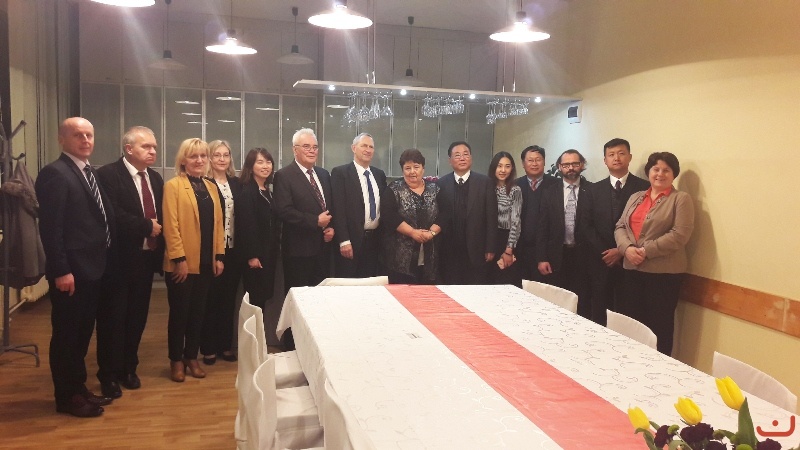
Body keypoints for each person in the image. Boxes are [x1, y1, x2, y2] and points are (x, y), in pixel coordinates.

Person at [35, 117, 115, 417]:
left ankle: (78, 388)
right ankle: (66, 398)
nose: (85, 140)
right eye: (78, 135)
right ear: (62, 139)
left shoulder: (88, 172)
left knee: (82, 334)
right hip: (71, 272)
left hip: (92, 269)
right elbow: (51, 228)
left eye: (89, 135)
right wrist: (60, 270)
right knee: (67, 336)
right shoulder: (55, 173)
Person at [95, 126, 164, 398]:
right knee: (113, 319)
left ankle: (128, 368)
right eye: (146, 146)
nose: (153, 151)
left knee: (137, 318)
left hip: (145, 260)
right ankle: (108, 374)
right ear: (128, 149)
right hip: (118, 261)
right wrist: (146, 226)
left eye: (154, 147)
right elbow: (112, 215)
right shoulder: (108, 175)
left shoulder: (155, 178)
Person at [615, 152, 694, 355]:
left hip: (663, 275)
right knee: (632, 323)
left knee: (659, 327)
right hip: (632, 269)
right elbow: (620, 226)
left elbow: (679, 235)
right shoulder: (636, 197)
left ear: (674, 174)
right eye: (656, 169)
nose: (660, 174)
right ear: (648, 172)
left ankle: (659, 368)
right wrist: (627, 249)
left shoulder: (680, 199)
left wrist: (645, 251)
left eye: (666, 170)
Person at [162, 138, 225, 382]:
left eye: (203, 156)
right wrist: (179, 259)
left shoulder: (210, 187)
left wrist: (219, 256)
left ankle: (191, 356)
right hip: (183, 264)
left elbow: (218, 224)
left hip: (206, 262)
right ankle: (176, 360)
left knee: (198, 314)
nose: (199, 160)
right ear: (183, 160)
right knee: (180, 314)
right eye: (193, 156)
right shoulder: (173, 186)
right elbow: (171, 226)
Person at [580, 138, 650, 325]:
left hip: (631, 261)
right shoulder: (592, 190)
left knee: (629, 313)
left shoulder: (644, 188)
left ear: (630, 157)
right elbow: (586, 225)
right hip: (600, 261)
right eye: (611, 155)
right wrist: (606, 252)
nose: (616, 158)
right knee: (599, 312)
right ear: (605, 160)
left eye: (621, 153)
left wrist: (621, 251)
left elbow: (646, 226)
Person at [273, 128, 334, 293]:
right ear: (295, 149)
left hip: (323, 249)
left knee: (320, 297)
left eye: (315, 147)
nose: (312, 151)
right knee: (298, 297)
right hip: (298, 251)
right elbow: (284, 211)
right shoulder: (284, 175)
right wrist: (315, 221)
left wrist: (330, 226)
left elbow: (328, 206)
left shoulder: (323, 174)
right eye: (306, 146)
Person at [200, 140, 242, 366]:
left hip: (234, 249)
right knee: (210, 299)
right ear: (209, 158)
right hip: (212, 250)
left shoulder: (236, 183)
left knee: (228, 299)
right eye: (217, 155)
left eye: (226, 155)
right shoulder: (203, 183)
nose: (222, 159)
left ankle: (225, 345)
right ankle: (208, 347)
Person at [536, 149, 592, 318]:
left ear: (582, 165)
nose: (571, 168)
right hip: (556, 256)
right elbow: (542, 227)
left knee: (582, 303)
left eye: (575, 164)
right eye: (566, 165)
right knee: (557, 303)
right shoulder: (549, 192)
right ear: (559, 167)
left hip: (584, 257)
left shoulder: (592, 190)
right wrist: (542, 258)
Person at [436, 141, 498, 284]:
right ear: (450, 160)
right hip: (449, 249)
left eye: (466, 154)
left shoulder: (485, 183)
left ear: (471, 158)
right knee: (450, 288)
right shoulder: (441, 184)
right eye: (457, 155)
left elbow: (491, 217)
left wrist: (490, 247)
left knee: (475, 288)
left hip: (477, 247)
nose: (462, 158)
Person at [381, 149, 442, 284]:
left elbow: (444, 214)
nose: (412, 172)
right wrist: (412, 232)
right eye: (407, 168)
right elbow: (389, 215)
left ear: (423, 169)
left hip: (430, 253)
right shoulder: (393, 189)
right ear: (402, 170)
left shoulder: (435, 189)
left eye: (416, 167)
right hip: (400, 255)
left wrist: (431, 233)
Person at [331, 133, 387, 278]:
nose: (368, 150)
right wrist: (344, 240)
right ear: (354, 148)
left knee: (369, 283)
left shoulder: (379, 175)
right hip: (351, 241)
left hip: (375, 240)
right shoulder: (340, 173)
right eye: (364, 146)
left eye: (371, 147)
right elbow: (338, 209)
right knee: (348, 283)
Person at [237, 148, 280, 310]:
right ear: (250, 166)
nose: (265, 166)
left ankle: (260, 326)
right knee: (255, 299)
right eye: (260, 162)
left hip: (268, 253)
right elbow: (246, 226)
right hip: (256, 257)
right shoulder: (248, 191)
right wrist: (252, 255)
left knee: (264, 297)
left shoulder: (267, 190)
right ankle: (253, 327)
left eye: (268, 162)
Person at [515, 145, 558, 282]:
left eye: (538, 159)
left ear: (544, 162)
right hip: (518, 251)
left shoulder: (557, 185)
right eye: (530, 160)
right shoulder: (515, 185)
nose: (534, 163)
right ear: (523, 164)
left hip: (547, 252)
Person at [488, 151, 522, 287]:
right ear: (493, 167)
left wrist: (509, 250)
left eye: (507, 166)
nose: (503, 170)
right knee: (486, 282)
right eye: (499, 166)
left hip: (505, 240)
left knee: (503, 282)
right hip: (487, 239)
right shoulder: (486, 187)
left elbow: (516, 222)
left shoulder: (515, 190)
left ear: (512, 168)